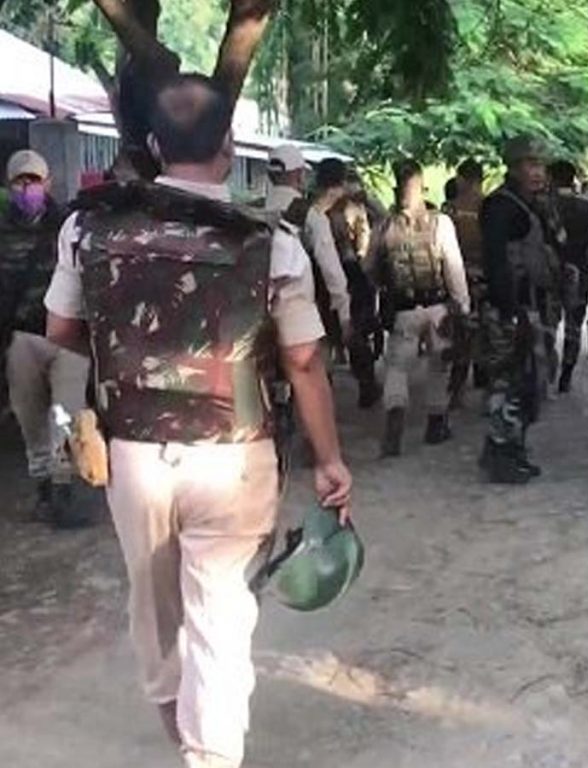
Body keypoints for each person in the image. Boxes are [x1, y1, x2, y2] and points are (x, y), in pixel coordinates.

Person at [44, 74, 353, 768]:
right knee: (221, 619)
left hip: (134, 456)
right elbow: (304, 361)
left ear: (154, 146)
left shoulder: (87, 228)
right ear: (230, 144)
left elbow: (59, 329)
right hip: (234, 457)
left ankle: (183, 729)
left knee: (154, 609)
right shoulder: (271, 244)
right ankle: (208, 753)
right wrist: (330, 460)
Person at [0, 150, 92, 528]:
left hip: (68, 337)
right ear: (9, 185)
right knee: (30, 417)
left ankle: (63, 489)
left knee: (66, 414)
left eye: (34, 180)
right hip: (21, 338)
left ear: (48, 182)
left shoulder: (70, 226)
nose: (28, 188)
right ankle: (43, 487)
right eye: (21, 181)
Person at [364, 159, 470, 456]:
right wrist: (462, 305)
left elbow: (369, 268)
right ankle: (436, 422)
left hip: (403, 308)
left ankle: (395, 413)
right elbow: (454, 268)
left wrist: (380, 294)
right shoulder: (440, 222)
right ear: (422, 187)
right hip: (438, 307)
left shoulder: (384, 226)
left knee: (397, 367)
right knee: (439, 364)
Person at [478, 135, 561, 483]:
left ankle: (513, 448)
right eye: (530, 164)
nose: (537, 172)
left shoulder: (530, 204)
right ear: (513, 168)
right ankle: (500, 453)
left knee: (528, 383)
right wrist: (511, 311)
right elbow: (497, 263)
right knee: (506, 382)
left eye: (541, 165)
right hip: (509, 309)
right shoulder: (501, 206)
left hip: (528, 304)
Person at [327, 164, 383, 409]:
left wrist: (366, 198)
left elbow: (384, 219)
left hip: (356, 273)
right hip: (347, 270)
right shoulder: (329, 209)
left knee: (355, 329)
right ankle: (364, 382)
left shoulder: (359, 206)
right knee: (350, 330)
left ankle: (365, 382)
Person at [548, 160, 588, 392]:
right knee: (573, 327)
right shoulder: (585, 206)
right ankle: (566, 375)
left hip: (549, 274)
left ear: (552, 178)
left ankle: (546, 372)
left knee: (547, 325)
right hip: (579, 272)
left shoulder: (544, 204)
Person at [443, 158, 487, 404]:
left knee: (460, 334)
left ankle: (456, 390)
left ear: (463, 179)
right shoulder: (489, 206)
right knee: (482, 331)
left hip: (457, 277)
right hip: (484, 277)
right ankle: (481, 376)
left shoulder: (450, 208)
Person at [306, 159, 354, 362]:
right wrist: (345, 313)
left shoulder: (302, 211)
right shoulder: (317, 220)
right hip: (313, 305)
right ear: (338, 186)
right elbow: (331, 271)